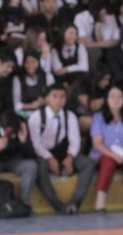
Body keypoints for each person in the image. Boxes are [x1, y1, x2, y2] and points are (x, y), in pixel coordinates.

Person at [28, 84, 95, 214]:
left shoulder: (70, 116)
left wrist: (69, 157)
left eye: (62, 97)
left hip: (63, 153)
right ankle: (58, 205)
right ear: (47, 99)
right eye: (55, 96)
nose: (58, 100)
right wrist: (49, 158)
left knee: (88, 163)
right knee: (39, 166)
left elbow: (75, 141)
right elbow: (35, 143)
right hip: (43, 154)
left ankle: (75, 203)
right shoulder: (36, 117)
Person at [90, 85, 123, 212]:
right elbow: (97, 143)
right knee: (108, 163)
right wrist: (114, 155)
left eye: (119, 97)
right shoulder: (99, 117)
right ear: (107, 99)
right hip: (104, 153)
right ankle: (100, 202)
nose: (116, 100)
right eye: (112, 96)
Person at [0, 110, 38, 217]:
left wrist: (23, 141)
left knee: (31, 165)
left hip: (14, 160)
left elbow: (30, 155)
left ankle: (24, 203)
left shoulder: (22, 126)